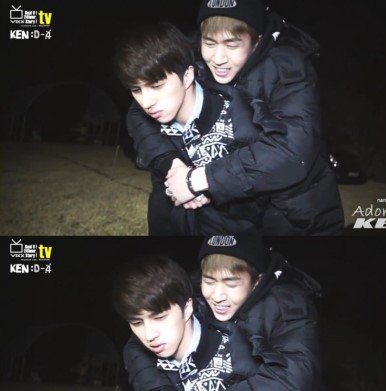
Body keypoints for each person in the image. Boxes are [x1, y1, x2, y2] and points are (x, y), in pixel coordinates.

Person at [122, 3, 344, 235]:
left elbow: (292, 151)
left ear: (256, 41)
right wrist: (171, 163)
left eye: (232, 45)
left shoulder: (289, 67)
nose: (218, 58)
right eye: (209, 43)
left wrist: (199, 180)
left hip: (298, 213)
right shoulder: (191, 55)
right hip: (229, 211)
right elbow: (139, 111)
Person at [158, 233, 346, 391]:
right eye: (209, 281)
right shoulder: (193, 297)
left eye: (231, 283)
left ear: (257, 281)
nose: (217, 296)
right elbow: (142, 341)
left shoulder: (289, 306)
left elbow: (292, 385)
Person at [113, 252, 287, 391]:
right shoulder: (145, 358)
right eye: (137, 322)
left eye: (159, 318)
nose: (149, 335)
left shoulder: (238, 354)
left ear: (187, 307)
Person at [114, 22, 268, 235]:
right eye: (136, 90)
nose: (146, 102)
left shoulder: (237, 117)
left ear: (187, 76)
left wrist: (208, 188)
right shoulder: (151, 124)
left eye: (156, 86)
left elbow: (259, 198)